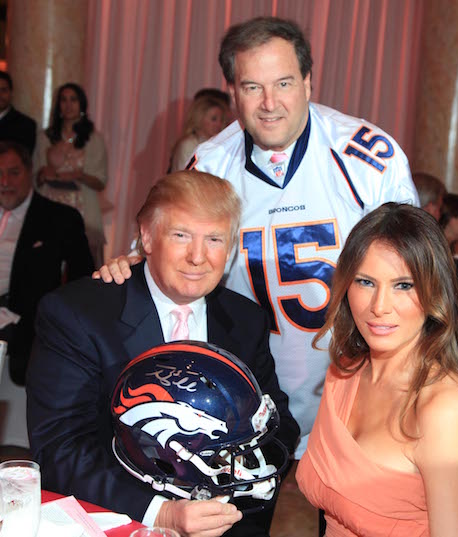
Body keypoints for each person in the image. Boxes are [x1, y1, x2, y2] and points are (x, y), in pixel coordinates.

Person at [98, 17, 418, 459]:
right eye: (252, 87)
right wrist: (133, 262)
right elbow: (167, 259)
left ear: (308, 82)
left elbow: (414, 281)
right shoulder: (212, 163)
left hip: (355, 400)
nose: (269, 103)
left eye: (283, 83)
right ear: (232, 91)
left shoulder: (366, 157)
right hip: (247, 402)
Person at [27, 170, 299, 537]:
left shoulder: (245, 320)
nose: (198, 257)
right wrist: (161, 513)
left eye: (214, 239)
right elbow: (59, 449)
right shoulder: (78, 314)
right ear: (147, 236)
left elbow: (278, 422)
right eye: (181, 235)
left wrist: (232, 493)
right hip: (118, 519)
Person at [296, 202, 458, 537]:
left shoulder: (443, 407)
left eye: (403, 285)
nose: (379, 307)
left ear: (435, 291)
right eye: (365, 282)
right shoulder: (344, 371)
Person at [0, 141, 93, 385]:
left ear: (29, 172)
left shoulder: (59, 218)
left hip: (10, 319)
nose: (5, 182)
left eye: (14, 172)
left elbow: (83, 279)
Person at [33, 82, 108, 264]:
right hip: (50, 205)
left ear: (81, 104)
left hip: (82, 207)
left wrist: (78, 175)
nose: (68, 105)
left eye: (73, 100)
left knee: (82, 264)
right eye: (64, 100)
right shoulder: (45, 137)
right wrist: (43, 175)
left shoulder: (93, 139)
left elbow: (101, 181)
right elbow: (34, 178)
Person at [169, 93, 229, 172]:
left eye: (221, 120)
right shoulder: (188, 145)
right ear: (199, 118)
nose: (219, 124)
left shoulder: (218, 145)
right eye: (214, 119)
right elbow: (185, 176)